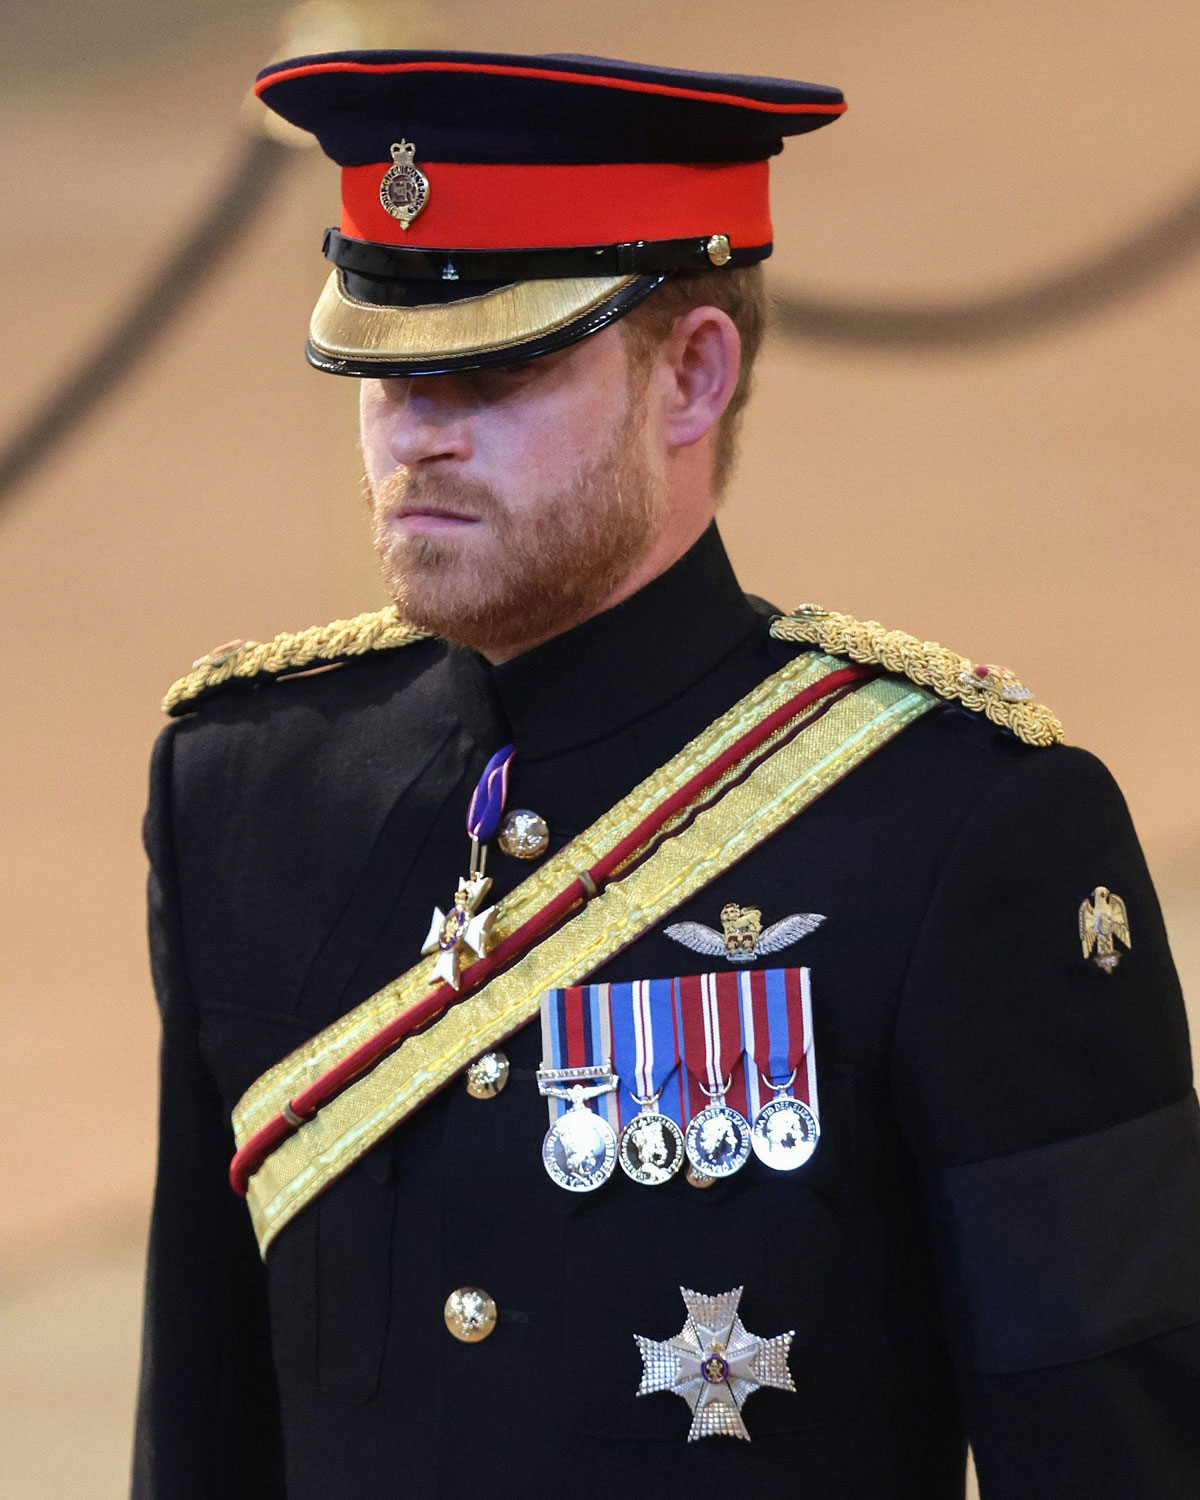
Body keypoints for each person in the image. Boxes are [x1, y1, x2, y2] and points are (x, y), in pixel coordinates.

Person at [132, 48, 1200, 1500]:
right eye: (381, 369)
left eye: (497, 367)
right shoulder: (244, 791)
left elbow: (1110, 1450)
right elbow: (204, 1436)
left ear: (695, 373)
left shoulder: (963, 827)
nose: (418, 432)